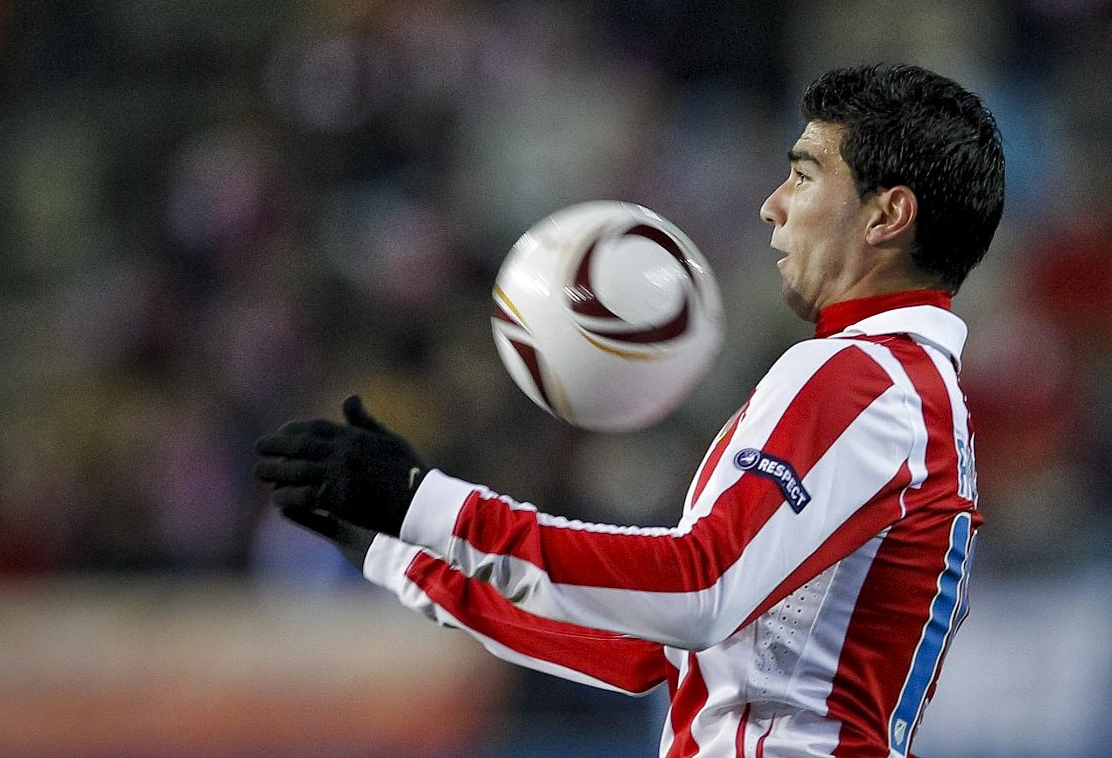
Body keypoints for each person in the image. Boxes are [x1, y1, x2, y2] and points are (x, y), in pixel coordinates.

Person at [255, 63, 1005, 757]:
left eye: (805, 174)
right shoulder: (906, 392)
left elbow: (694, 589)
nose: (772, 205)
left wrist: (428, 504)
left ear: (887, 215)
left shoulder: (863, 379)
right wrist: (401, 551)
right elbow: (652, 645)